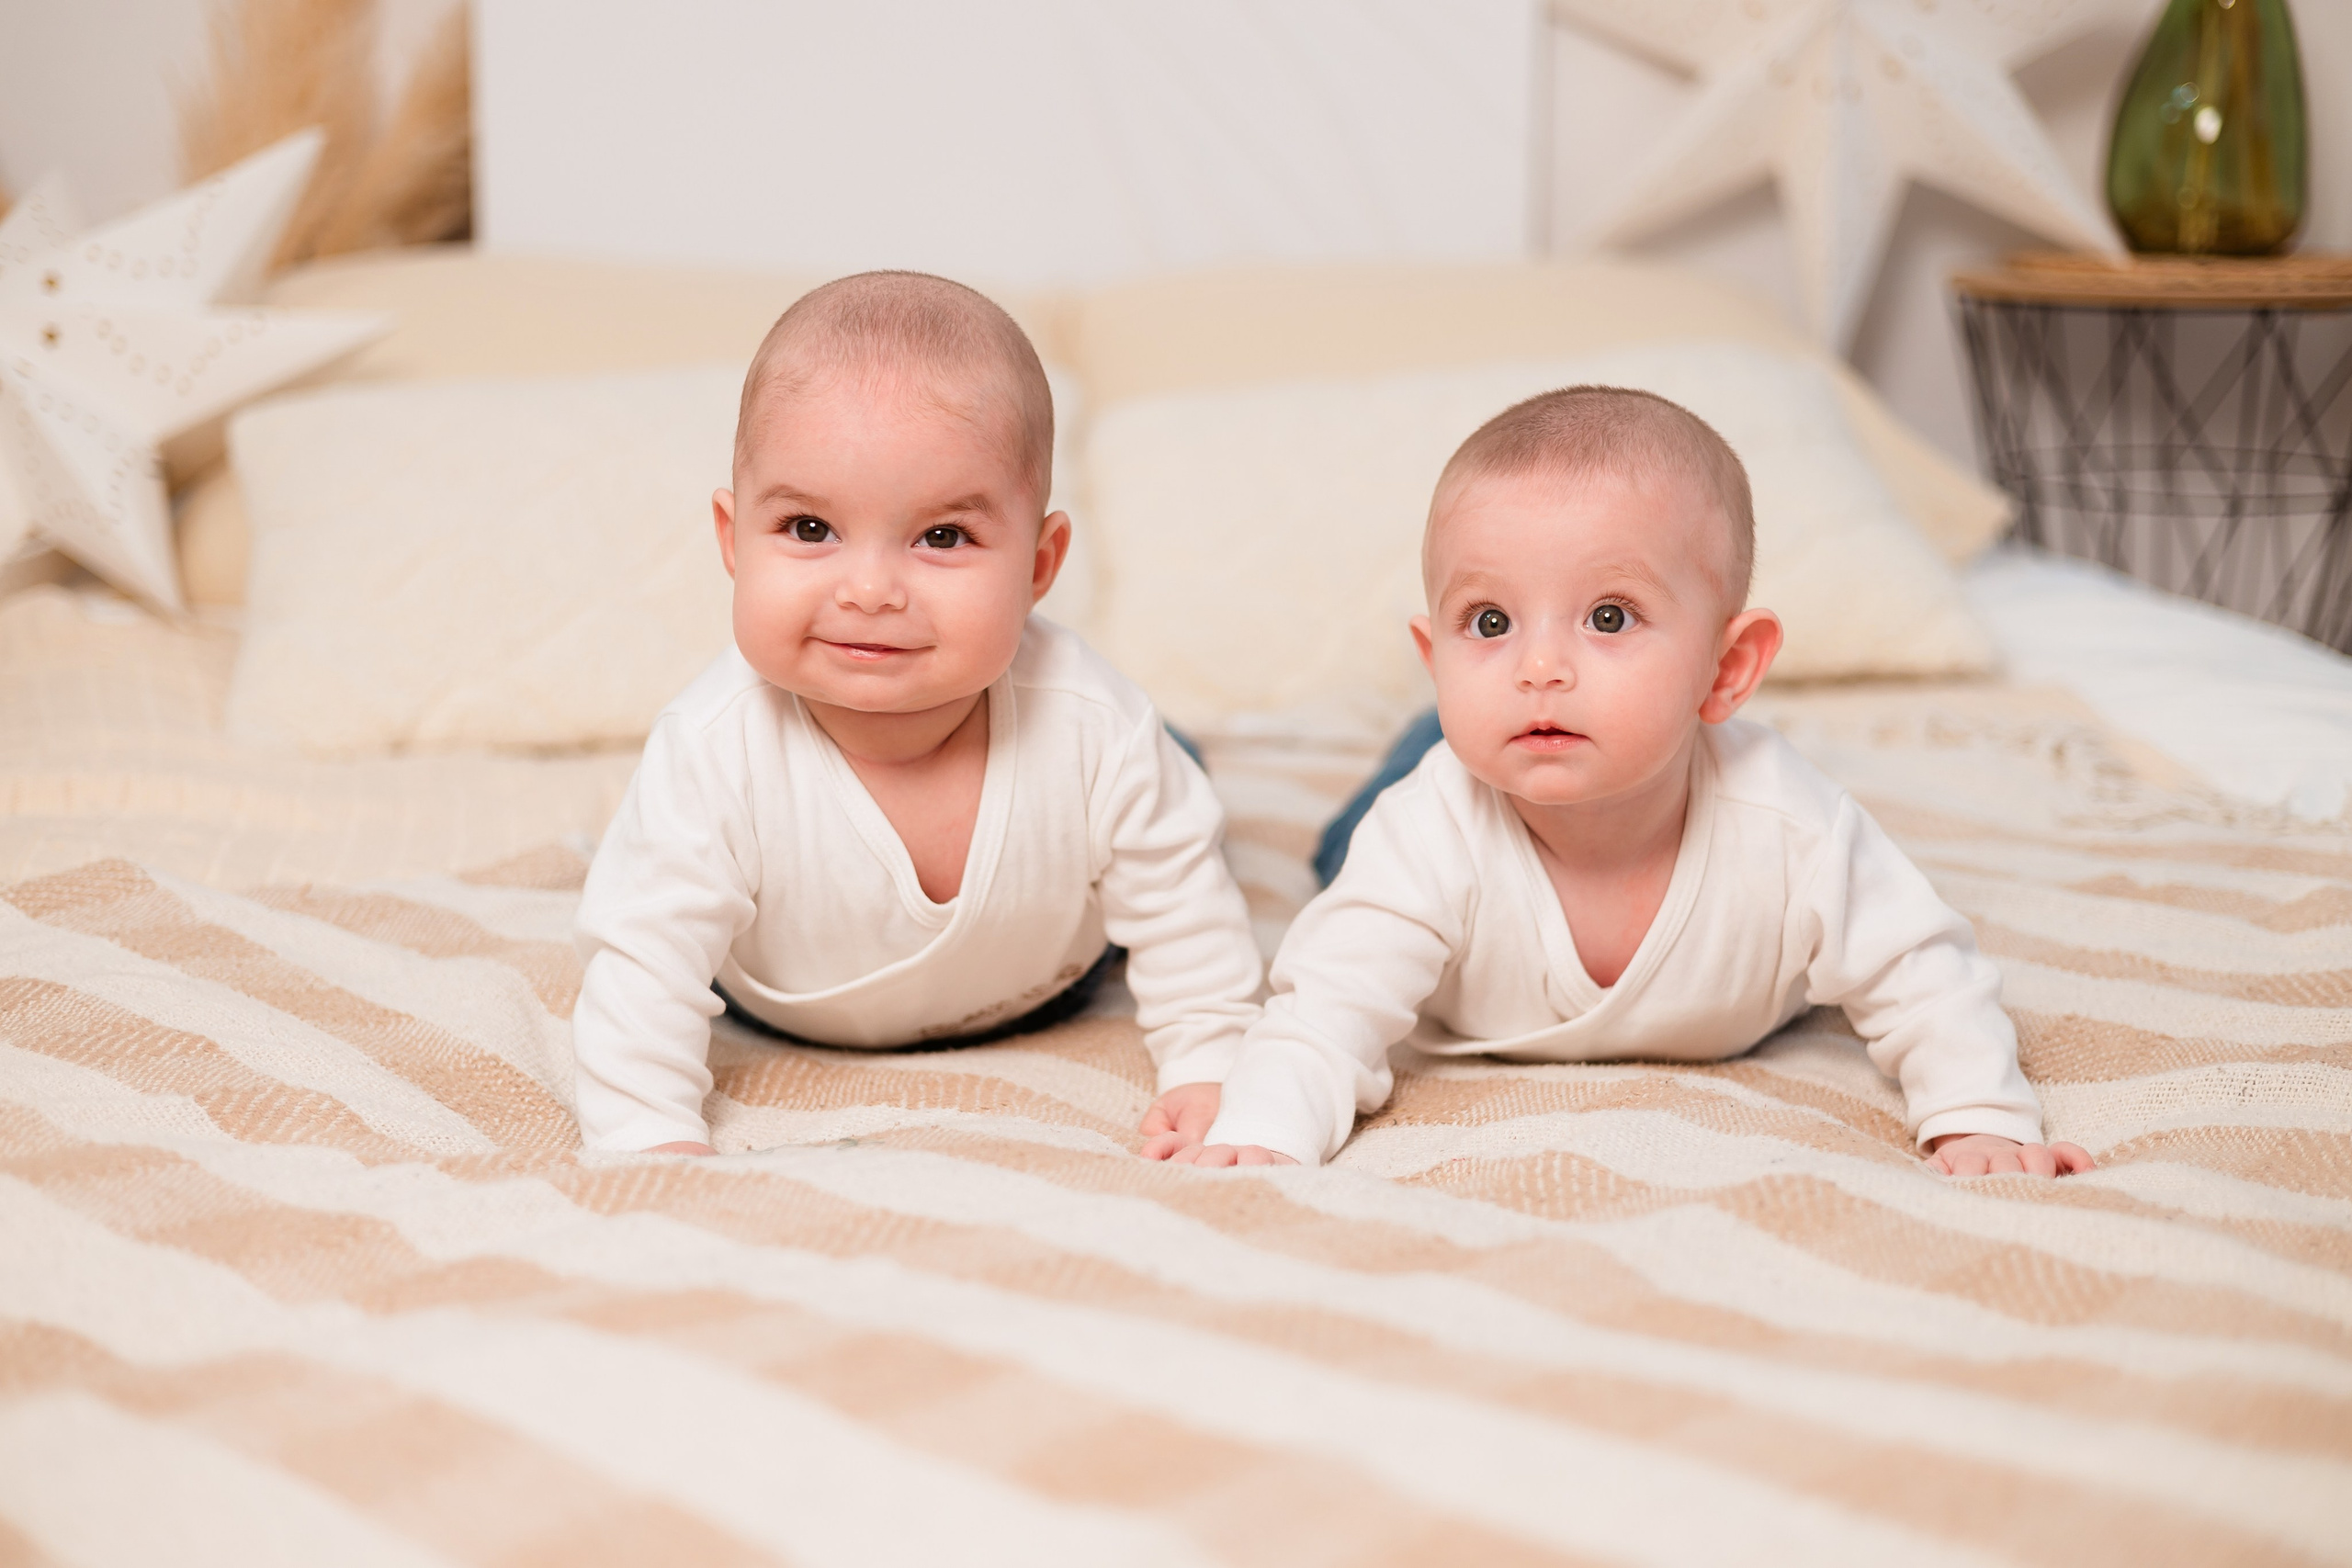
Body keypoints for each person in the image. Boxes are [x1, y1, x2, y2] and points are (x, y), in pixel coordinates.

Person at [1167, 386, 2092, 1179]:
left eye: (1608, 616)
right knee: (1357, 844)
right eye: (1487, 622)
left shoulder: (1789, 826)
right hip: (1439, 794)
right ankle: (1425, 734)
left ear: (1726, 669)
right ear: (1433, 653)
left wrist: (1977, 1113)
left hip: (1518, 759)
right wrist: (1264, 1134)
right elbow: (1324, 1010)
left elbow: (1919, 971)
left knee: (1473, 744)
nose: (1539, 667)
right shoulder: (1424, 833)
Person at [572, 271, 1261, 1155]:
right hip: (783, 1000)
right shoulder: (711, 750)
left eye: (943, 537)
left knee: (1171, 799)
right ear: (731, 537)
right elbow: (645, 966)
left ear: (1041, 563)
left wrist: (1211, 1065)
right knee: (645, 877)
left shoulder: (1097, 723)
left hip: (1052, 977)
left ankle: (1185, 764)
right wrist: (646, 1136)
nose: (869, 591)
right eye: (810, 529)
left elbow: (1184, 914)